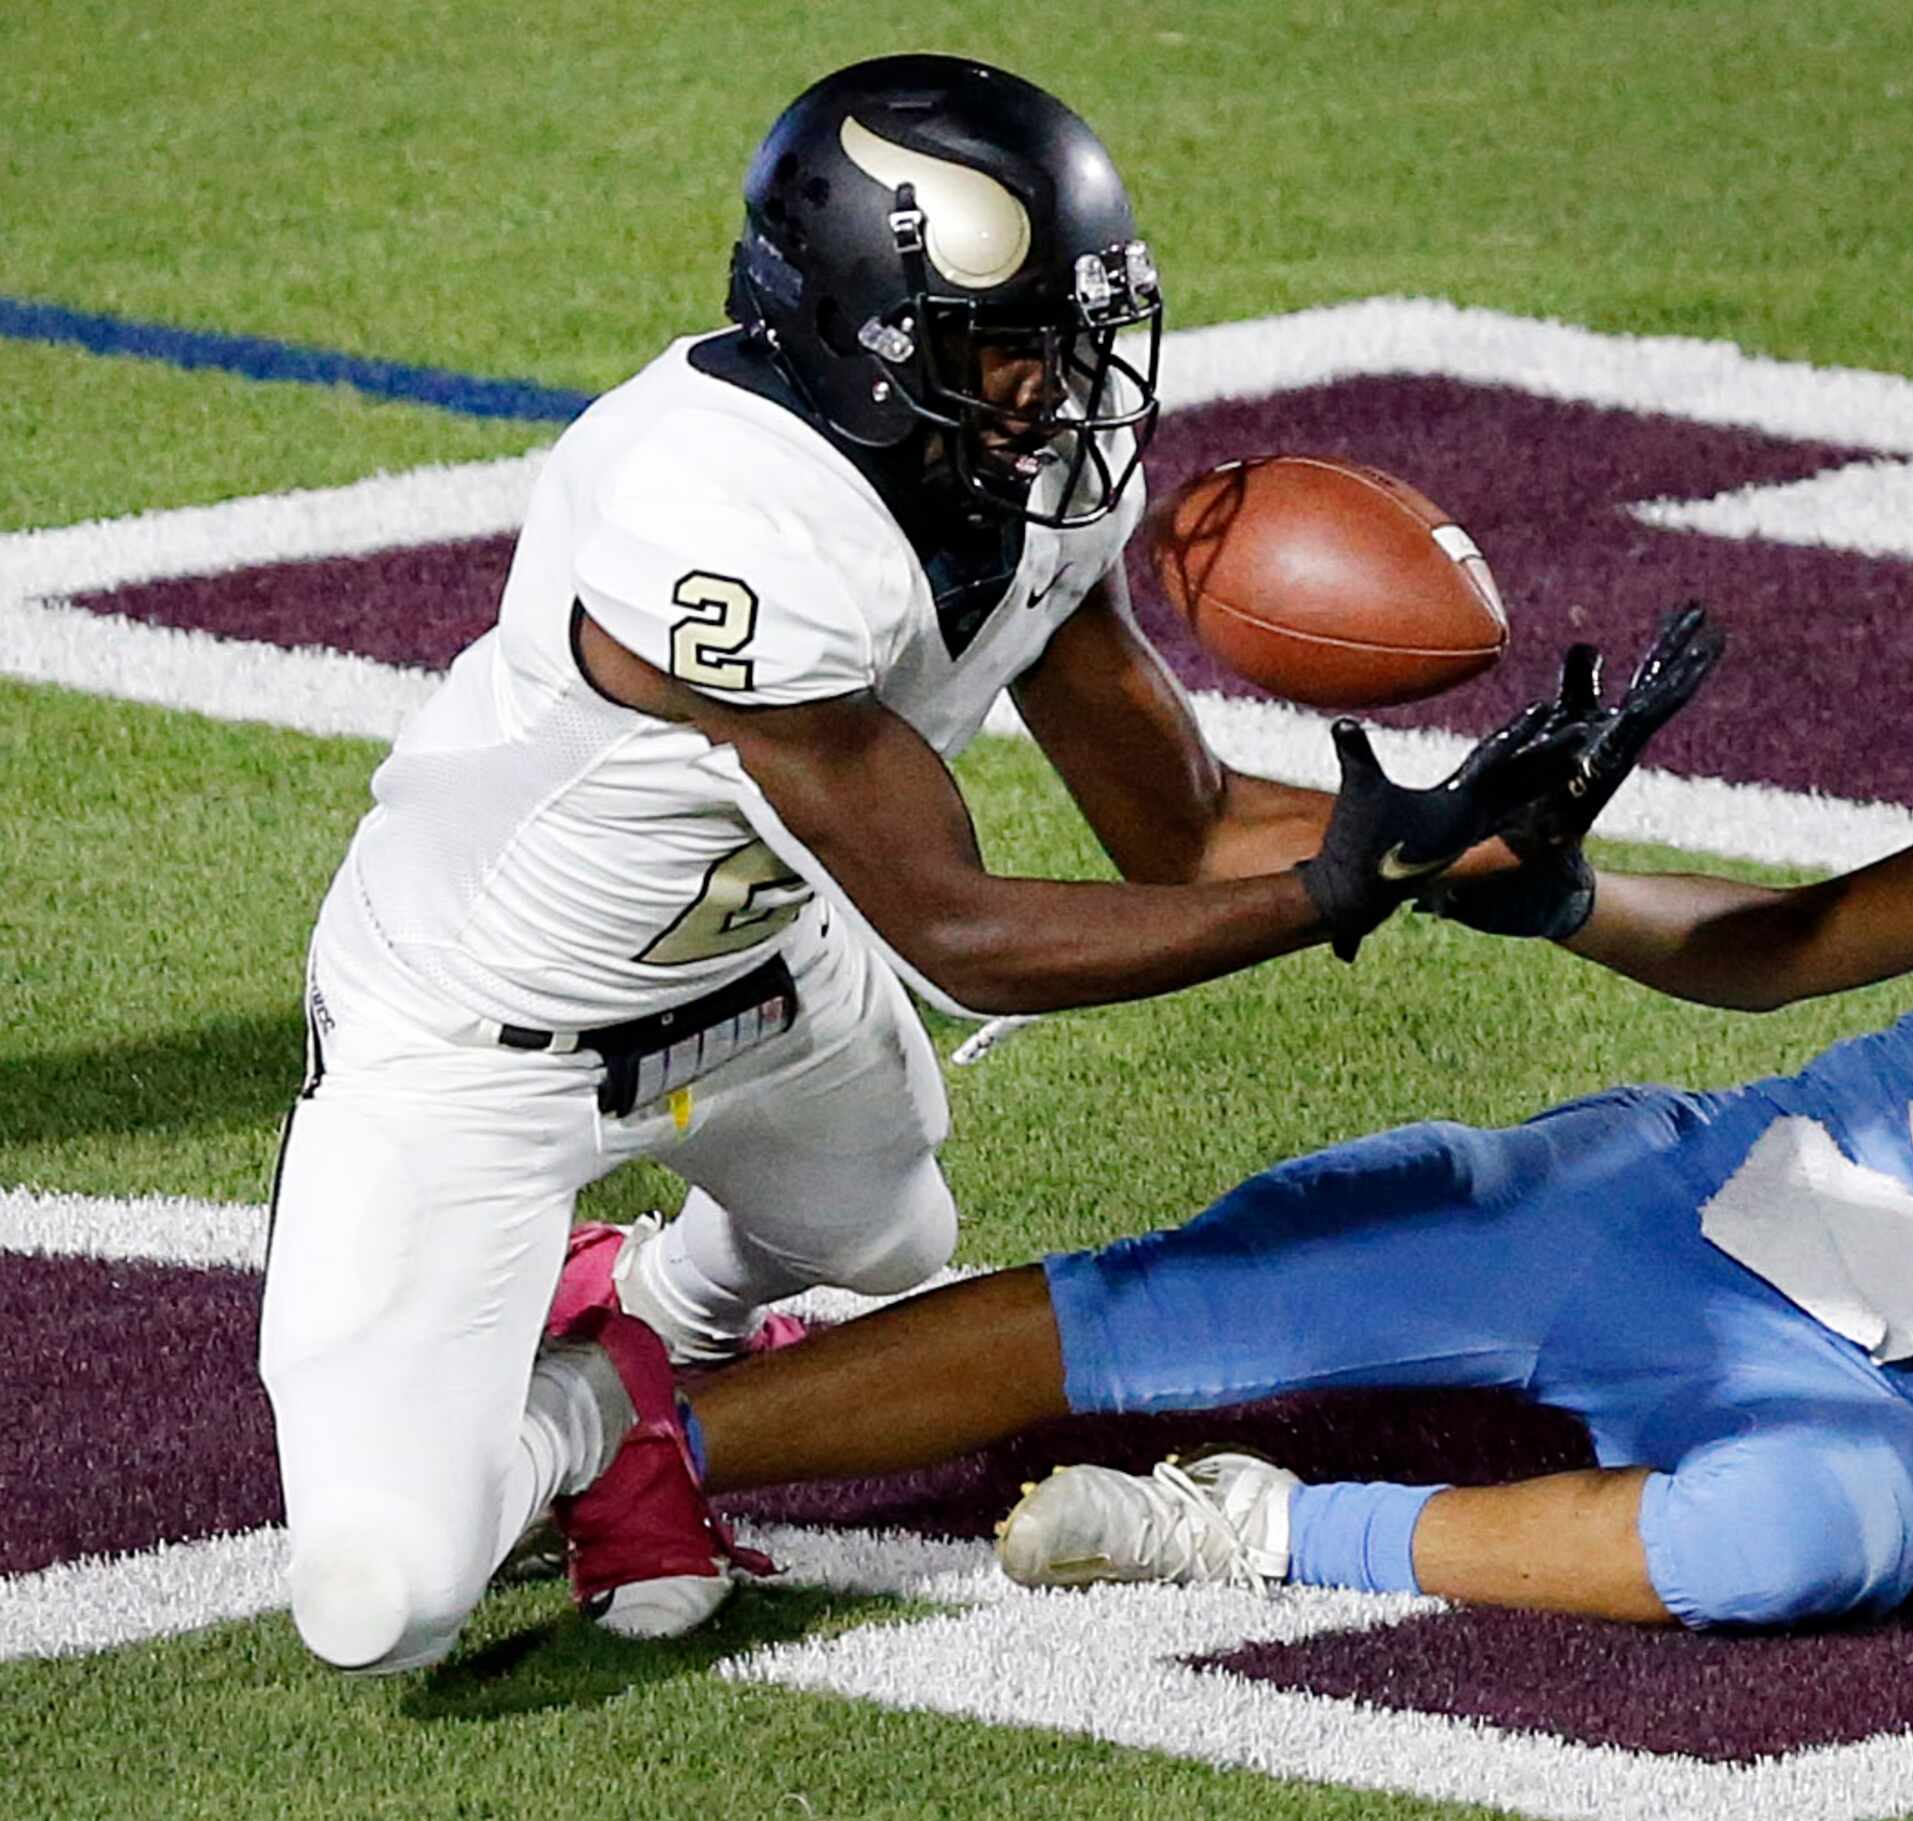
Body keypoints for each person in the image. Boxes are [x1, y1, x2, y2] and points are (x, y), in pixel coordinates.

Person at [257, 53, 1615, 1675]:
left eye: (1074, 345)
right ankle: (579, 1432)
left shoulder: (1018, 491)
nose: (1062, 399)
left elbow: (1174, 824)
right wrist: (1331, 894)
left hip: (754, 972)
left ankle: (629, 1332)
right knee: (384, 1598)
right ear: (857, 340)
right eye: (1010, 352)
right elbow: (965, 933)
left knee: (889, 1238)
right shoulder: (709, 513)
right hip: (478, 1034)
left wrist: (1458, 828)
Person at [614, 649, 1913, 1630]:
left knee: (1829, 1541)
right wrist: (1560, 897)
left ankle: (1251, 1534)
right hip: (1701, 1196)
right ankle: (632, 1443)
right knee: (1194, 1293)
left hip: (1902, 1391)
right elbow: (1786, 952)